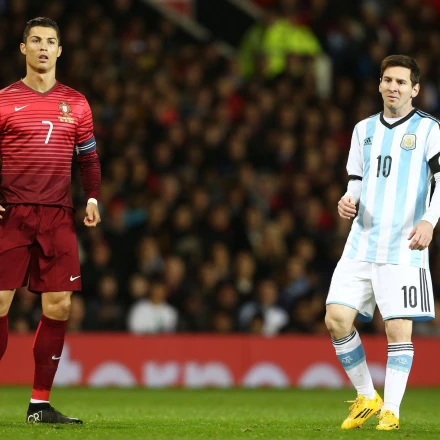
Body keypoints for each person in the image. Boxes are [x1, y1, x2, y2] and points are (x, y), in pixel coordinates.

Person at [325, 54, 440, 431]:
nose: (393, 87)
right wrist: (348, 199)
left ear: (415, 89)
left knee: (397, 329)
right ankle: (366, 396)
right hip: (361, 241)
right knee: (336, 319)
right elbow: (356, 180)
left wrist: (430, 220)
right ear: (379, 84)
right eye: (388, 80)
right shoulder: (363, 130)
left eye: (401, 82)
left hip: (404, 245)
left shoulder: (429, 129)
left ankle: (391, 410)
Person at [0, 17, 101, 424]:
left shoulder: (76, 103)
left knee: (59, 306)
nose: (43, 47)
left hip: (58, 216)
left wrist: (92, 197)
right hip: (11, 213)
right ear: (23, 48)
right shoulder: (4, 100)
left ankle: (39, 405)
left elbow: (89, 159)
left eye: (51, 41)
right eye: (36, 40)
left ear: (60, 50)